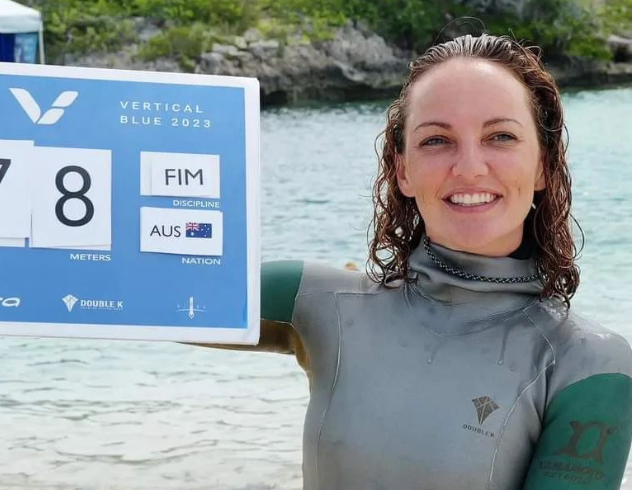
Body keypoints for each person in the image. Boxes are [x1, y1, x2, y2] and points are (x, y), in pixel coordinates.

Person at [225, 33, 632, 489]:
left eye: (500, 136)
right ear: (402, 170)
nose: (470, 167)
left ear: (543, 163)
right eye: (437, 140)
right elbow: (142, 287)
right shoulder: (320, 304)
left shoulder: (588, 364)